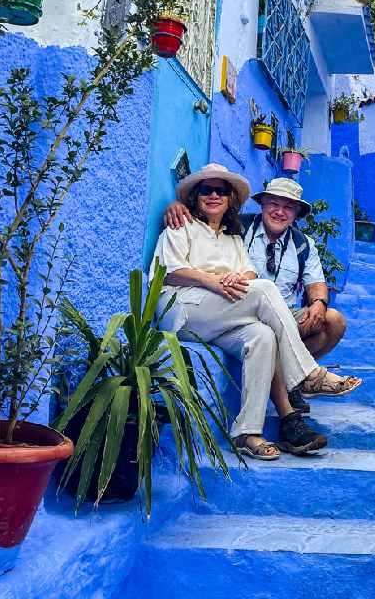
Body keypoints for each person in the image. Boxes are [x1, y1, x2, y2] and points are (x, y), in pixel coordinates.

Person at [152, 163, 361, 461]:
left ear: (230, 199)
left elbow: (249, 273)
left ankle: (247, 432)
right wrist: (213, 280)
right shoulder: (183, 225)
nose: (213, 195)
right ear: (195, 197)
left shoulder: (233, 235)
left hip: (230, 312)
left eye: (220, 191)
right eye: (206, 190)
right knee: (264, 291)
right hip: (184, 309)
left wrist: (239, 280)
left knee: (263, 336)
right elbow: (170, 271)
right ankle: (307, 376)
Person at [165, 177, 348, 413]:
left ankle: (292, 380)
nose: (279, 212)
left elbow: (317, 283)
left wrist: (319, 303)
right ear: (262, 205)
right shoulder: (237, 227)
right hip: (242, 313)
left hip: (287, 316)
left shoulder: (303, 244)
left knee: (333, 320)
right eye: (274, 204)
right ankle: (300, 383)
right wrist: (176, 205)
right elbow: (209, 214)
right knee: (266, 328)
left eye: (288, 207)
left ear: (296, 214)